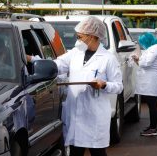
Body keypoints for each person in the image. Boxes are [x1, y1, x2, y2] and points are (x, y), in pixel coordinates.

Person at [29, 16, 123, 156]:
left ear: (92, 36)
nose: (78, 40)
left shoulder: (108, 58)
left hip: (94, 116)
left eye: (80, 37)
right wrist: (31, 59)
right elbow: (55, 65)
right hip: (75, 114)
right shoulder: (75, 53)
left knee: (97, 152)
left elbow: (118, 86)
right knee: (75, 151)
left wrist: (104, 85)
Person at [132, 32, 157, 137]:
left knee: (152, 104)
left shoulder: (154, 49)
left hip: (151, 79)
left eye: (143, 43)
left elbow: (146, 63)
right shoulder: (155, 48)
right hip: (150, 79)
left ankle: (153, 128)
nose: (143, 45)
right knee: (151, 104)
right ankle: (152, 126)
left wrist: (137, 60)